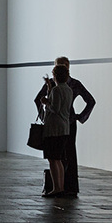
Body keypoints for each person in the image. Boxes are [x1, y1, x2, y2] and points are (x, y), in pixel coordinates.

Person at [33, 56, 95, 196]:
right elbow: (90, 101)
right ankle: (65, 187)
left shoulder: (58, 85)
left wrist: (45, 113)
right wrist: (79, 117)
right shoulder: (70, 85)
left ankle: (61, 186)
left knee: (59, 156)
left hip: (59, 123)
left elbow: (42, 101)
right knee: (64, 155)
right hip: (68, 122)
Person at [40, 64, 73, 198]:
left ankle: (56, 188)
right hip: (64, 127)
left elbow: (55, 109)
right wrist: (49, 88)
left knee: (52, 159)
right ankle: (60, 186)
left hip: (54, 129)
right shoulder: (68, 90)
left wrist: (45, 102)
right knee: (58, 159)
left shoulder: (57, 90)